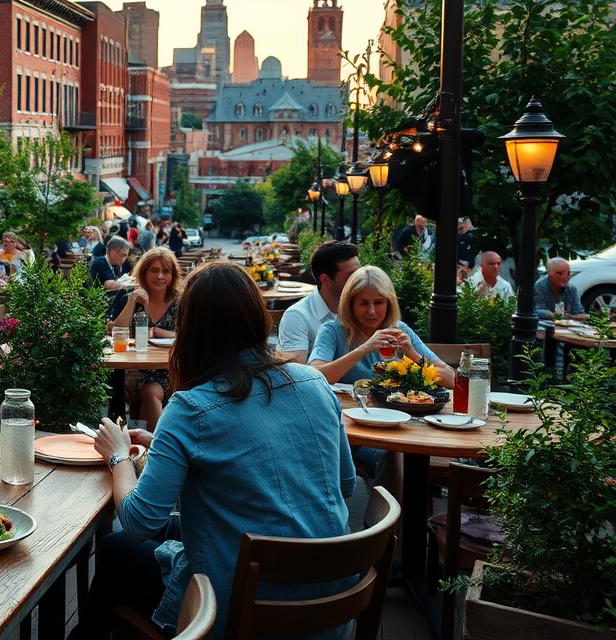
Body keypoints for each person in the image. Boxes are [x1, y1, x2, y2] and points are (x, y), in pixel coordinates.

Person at [80, 261, 355, 637]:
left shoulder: (191, 408)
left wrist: (117, 457)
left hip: (238, 607)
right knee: (140, 543)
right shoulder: (314, 382)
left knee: (116, 549)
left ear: (191, 329)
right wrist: (164, 448)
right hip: (329, 604)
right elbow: (345, 484)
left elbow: (142, 521)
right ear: (257, 317)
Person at [309, 265, 453, 386]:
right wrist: (365, 348)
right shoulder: (332, 330)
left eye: (378, 302)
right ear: (350, 304)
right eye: (363, 303)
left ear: (389, 303)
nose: (371, 311)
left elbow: (451, 379)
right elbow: (312, 377)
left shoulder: (400, 330)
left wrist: (413, 354)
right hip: (349, 414)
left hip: (398, 415)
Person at [106, 247, 181, 429]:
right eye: (154, 270)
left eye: (166, 271)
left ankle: (151, 447)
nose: (160, 276)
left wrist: (160, 332)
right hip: (133, 369)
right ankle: (153, 448)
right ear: (144, 273)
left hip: (172, 370)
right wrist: (132, 301)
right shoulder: (127, 298)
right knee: (146, 389)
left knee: (151, 390)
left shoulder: (181, 301)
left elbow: (192, 335)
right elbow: (116, 331)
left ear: (173, 275)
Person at [277, 240, 361, 363]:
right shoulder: (297, 316)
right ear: (325, 279)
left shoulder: (365, 308)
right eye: (352, 275)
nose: (360, 280)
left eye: (360, 273)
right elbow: (297, 374)